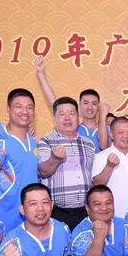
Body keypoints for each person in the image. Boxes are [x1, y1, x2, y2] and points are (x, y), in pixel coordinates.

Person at [0, 87, 40, 230]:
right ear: (8, 109)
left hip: (30, 217)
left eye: (29, 107)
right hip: (2, 215)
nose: (25, 111)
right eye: (18, 106)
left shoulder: (33, 141)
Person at [37, 96, 95, 231]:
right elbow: (43, 171)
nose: (67, 118)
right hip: (57, 212)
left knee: (85, 244)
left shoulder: (89, 143)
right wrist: (54, 158)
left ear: (78, 117)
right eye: (62, 114)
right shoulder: (46, 141)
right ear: (54, 119)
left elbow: (93, 177)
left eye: (72, 113)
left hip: (85, 211)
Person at [34, 56, 108, 151]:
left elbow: (104, 145)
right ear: (79, 106)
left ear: (98, 106)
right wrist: (40, 74)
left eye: (94, 103)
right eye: (86, 103)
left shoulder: (106, 129)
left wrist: (103, 116)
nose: (90, 107)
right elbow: (54, 102)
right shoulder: (73, 128)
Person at [92, 116, 128, 215]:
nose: (126, 136)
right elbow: (97, 184)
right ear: (111, 135)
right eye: (121, 132)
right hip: (112, 215)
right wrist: (109, 166)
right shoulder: (101, 156)